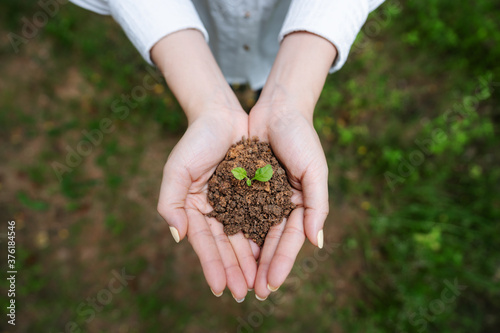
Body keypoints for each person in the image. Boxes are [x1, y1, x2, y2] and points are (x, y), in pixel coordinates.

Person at [69, 0, 385, 302]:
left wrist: (291, 104)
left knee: (266, 82)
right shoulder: (237, 175)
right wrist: (206, 101)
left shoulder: (262, 173)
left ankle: (263, 92)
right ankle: (233, 92)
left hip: (284, 33)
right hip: (198, 34)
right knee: (232, 81)